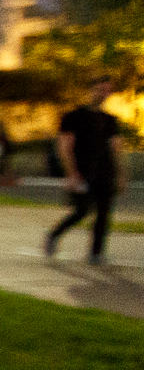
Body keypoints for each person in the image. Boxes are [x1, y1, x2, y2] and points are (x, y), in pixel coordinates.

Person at [48, 77, 127, 263]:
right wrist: (72, 173)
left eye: (107, 90)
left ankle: (96, 252)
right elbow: (64, 147)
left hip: (104, 173)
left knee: (103, 213)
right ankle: (54, 235)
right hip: (83, 172)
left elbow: (116, 148)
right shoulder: (74, 117)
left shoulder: (110, 120)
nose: (103, 94)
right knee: (81, 211)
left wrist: (121, 174)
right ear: (91, 90)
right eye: (100, 89)